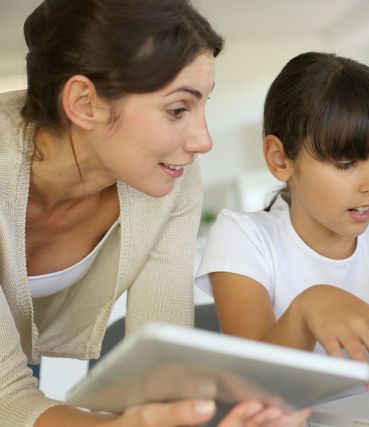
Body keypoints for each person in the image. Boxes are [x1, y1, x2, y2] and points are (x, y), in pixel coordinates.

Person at [0, 1, 308, 426]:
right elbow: (6, 396)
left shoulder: (173, 180)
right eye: (178, 110)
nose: (203, 140)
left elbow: (158, 374)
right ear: (85, 104)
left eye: (204, 106)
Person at [195, 52, 369, 391]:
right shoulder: (244, 238)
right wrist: (306, 308)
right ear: (280, 159)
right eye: (345, 163)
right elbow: (256, 390)